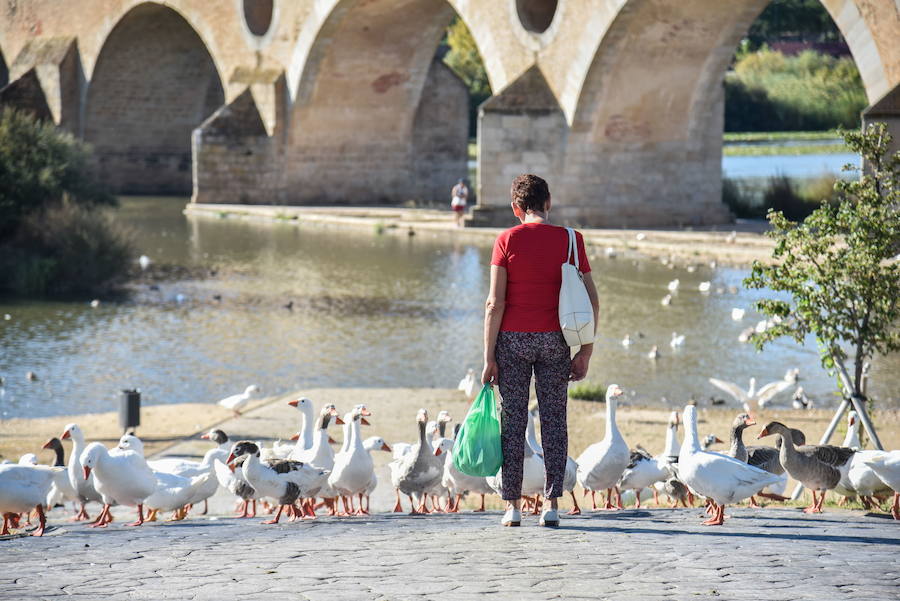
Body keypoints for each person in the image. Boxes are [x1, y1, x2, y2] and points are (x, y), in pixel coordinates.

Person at [481, 174, 599, 528]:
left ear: (517, 208)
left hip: (512, 341)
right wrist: (586, 350)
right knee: (554, 422)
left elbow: (493, 303)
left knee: (513, 424)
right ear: (549, 203)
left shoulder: (505, 239)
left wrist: (488, 356)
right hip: (555, 340)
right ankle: (551, 505)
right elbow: (591, 299)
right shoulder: (571, 240)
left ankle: (513, 507)